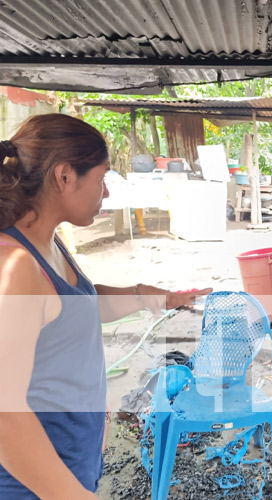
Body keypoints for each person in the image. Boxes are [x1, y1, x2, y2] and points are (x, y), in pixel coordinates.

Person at [0, 113, 212, 499]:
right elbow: (5, 416)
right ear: (65, 176)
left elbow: (70, 310)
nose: (107, 192)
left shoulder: (47, 242)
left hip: (71, 460)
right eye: (101, 178)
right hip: (32, 486)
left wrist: (150, 295)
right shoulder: (14, 268)